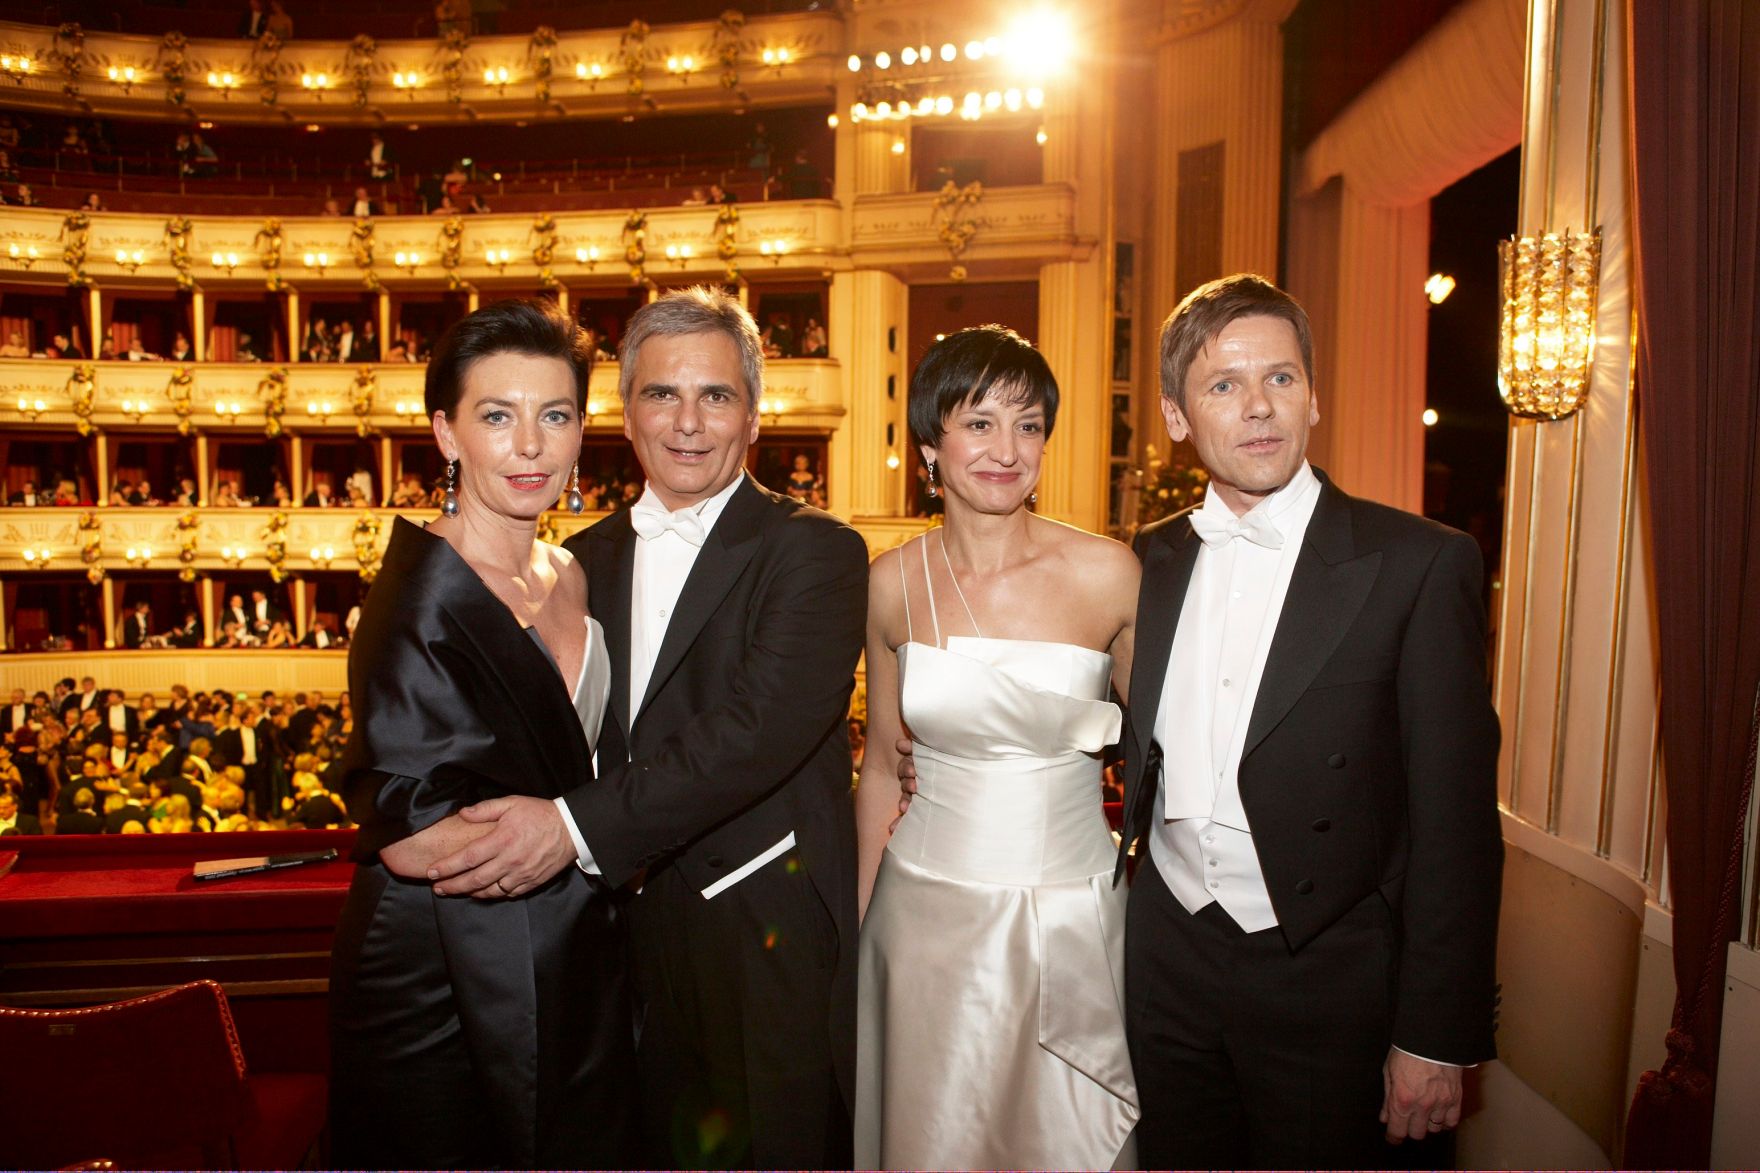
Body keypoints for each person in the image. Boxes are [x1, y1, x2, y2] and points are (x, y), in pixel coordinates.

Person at [424, 286, 867, 1168]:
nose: (689, 422)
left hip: (762, 943)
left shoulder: (815, 550)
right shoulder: (576, 565)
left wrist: (572, 827)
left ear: (754, 415)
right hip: (609, 944)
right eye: (662, 394)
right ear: (622, 415)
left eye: (717, 396)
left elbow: (757, 731)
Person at [1116, 274, 1503, 1167]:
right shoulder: (1151, 558)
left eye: (1281, 379)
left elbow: (1456, 827)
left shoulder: (1418, 563)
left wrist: (1436, 1036)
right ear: (1176, 415)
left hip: (1331, 980)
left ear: (1314, 395)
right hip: (1168, 958)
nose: (1258, 408)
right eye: (1223, 385)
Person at [328, 298, 634, 1168]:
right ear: (447, 433)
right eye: (497, 416)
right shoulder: (418, 596)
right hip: (440, 964)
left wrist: (590, 831)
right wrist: (601, 835)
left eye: (556, 415)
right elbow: (418, 841)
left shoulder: (571, 573)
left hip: (562, 938)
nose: (531, 446)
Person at [854, 326, 1142, 1169]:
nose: (1006, 449)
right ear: (930, 446)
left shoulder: (1109, 574)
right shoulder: (890, 583)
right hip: (922, 922)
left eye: (1028, 424)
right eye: (978, 423)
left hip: (1074, 916)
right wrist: (870, 929)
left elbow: (1170, 746)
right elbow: (879, 764)